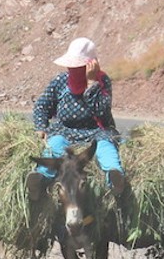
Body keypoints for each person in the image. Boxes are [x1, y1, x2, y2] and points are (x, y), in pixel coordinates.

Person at [29, 36, 126, 200]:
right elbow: (42, 105)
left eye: (79, 67)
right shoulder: (61, 82)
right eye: (72, 66)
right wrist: (41, 126)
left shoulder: (102, 82)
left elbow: (101, 112)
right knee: (55, 145)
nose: (73, 70)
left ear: (90, 66)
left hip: (97, 131)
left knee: (105, 148)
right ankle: (40, 178)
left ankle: (114, 177)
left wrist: (91, 84)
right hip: (65, 130)